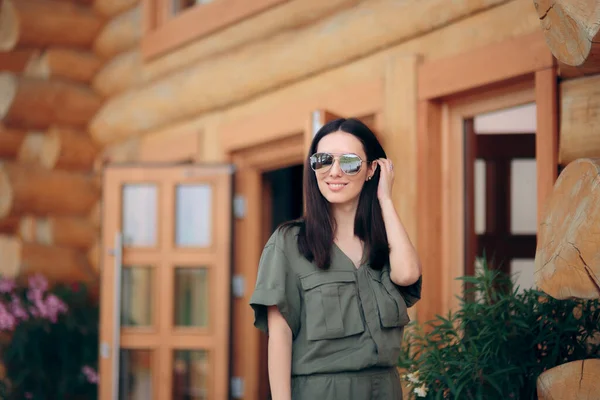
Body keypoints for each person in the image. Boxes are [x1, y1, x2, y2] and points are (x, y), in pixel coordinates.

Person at [249, 117, 422, 400]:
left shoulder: (384, 242)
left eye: (351, 162)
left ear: (371, 170)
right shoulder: (289, 242)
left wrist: (385, 200)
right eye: (323, 160)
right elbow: (279, 337)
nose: (335, 172)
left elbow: (407, 275)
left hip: (385, 390)